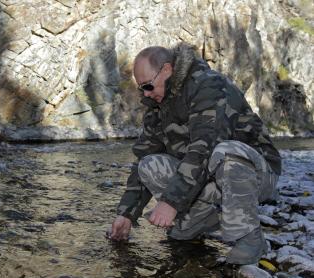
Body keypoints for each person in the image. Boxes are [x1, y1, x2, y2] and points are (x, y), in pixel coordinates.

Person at [108, 43, 281, 265]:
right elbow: (145, 153)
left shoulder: (209, 86)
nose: (146, 94)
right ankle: (196, 218)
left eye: (149, 86)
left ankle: (248, 236)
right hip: (209, 177)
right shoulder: (158, 105)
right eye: (142, 88)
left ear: (168, 70)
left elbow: (203, 149)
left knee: (225, 152)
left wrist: (170, 202)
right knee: (148, 165)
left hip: (256, 174)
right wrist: (126, 215)